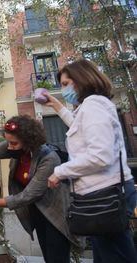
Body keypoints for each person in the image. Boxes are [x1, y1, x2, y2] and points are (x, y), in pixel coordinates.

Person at [45, 59, 137, 263]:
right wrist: (58, 106)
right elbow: (80, 127)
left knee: (114, 257)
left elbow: (100, 156)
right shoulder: (90, 107)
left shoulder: (93, 106)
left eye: (66, 84)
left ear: (82, 80)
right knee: (107, 255)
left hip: (107, 194)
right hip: (102, 194)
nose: (64, 89)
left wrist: (60, 171)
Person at [0, 115, 79, 263]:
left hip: (56, 214)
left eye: (13, 143)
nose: (9, 147)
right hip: (38, 212)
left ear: (28, 141)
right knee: (49, 257)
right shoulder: (14, 148)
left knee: (57, 258)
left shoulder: (48, 159)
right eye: (7, 142)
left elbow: (26, 196)